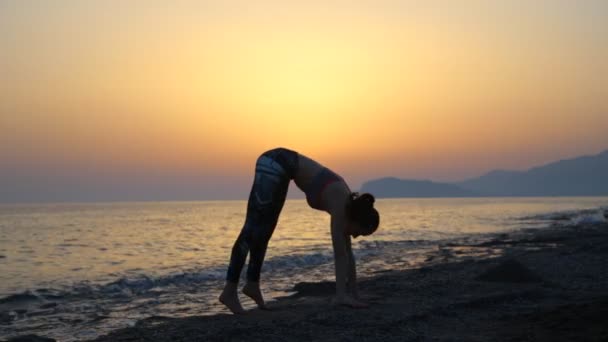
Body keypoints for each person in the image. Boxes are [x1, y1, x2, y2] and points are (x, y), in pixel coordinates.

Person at [219, 147, 380, 314]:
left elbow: (348, 254)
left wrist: (354, 294)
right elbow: (340, 255)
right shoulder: (340, 203)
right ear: (358, 219)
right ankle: (229, 291)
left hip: (280, 166)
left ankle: (252, 285)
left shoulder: (346, 207)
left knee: (264, 231)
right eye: (359, 232)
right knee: (252, 229)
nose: (355, 236)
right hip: (276, 162)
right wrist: (341, 296)